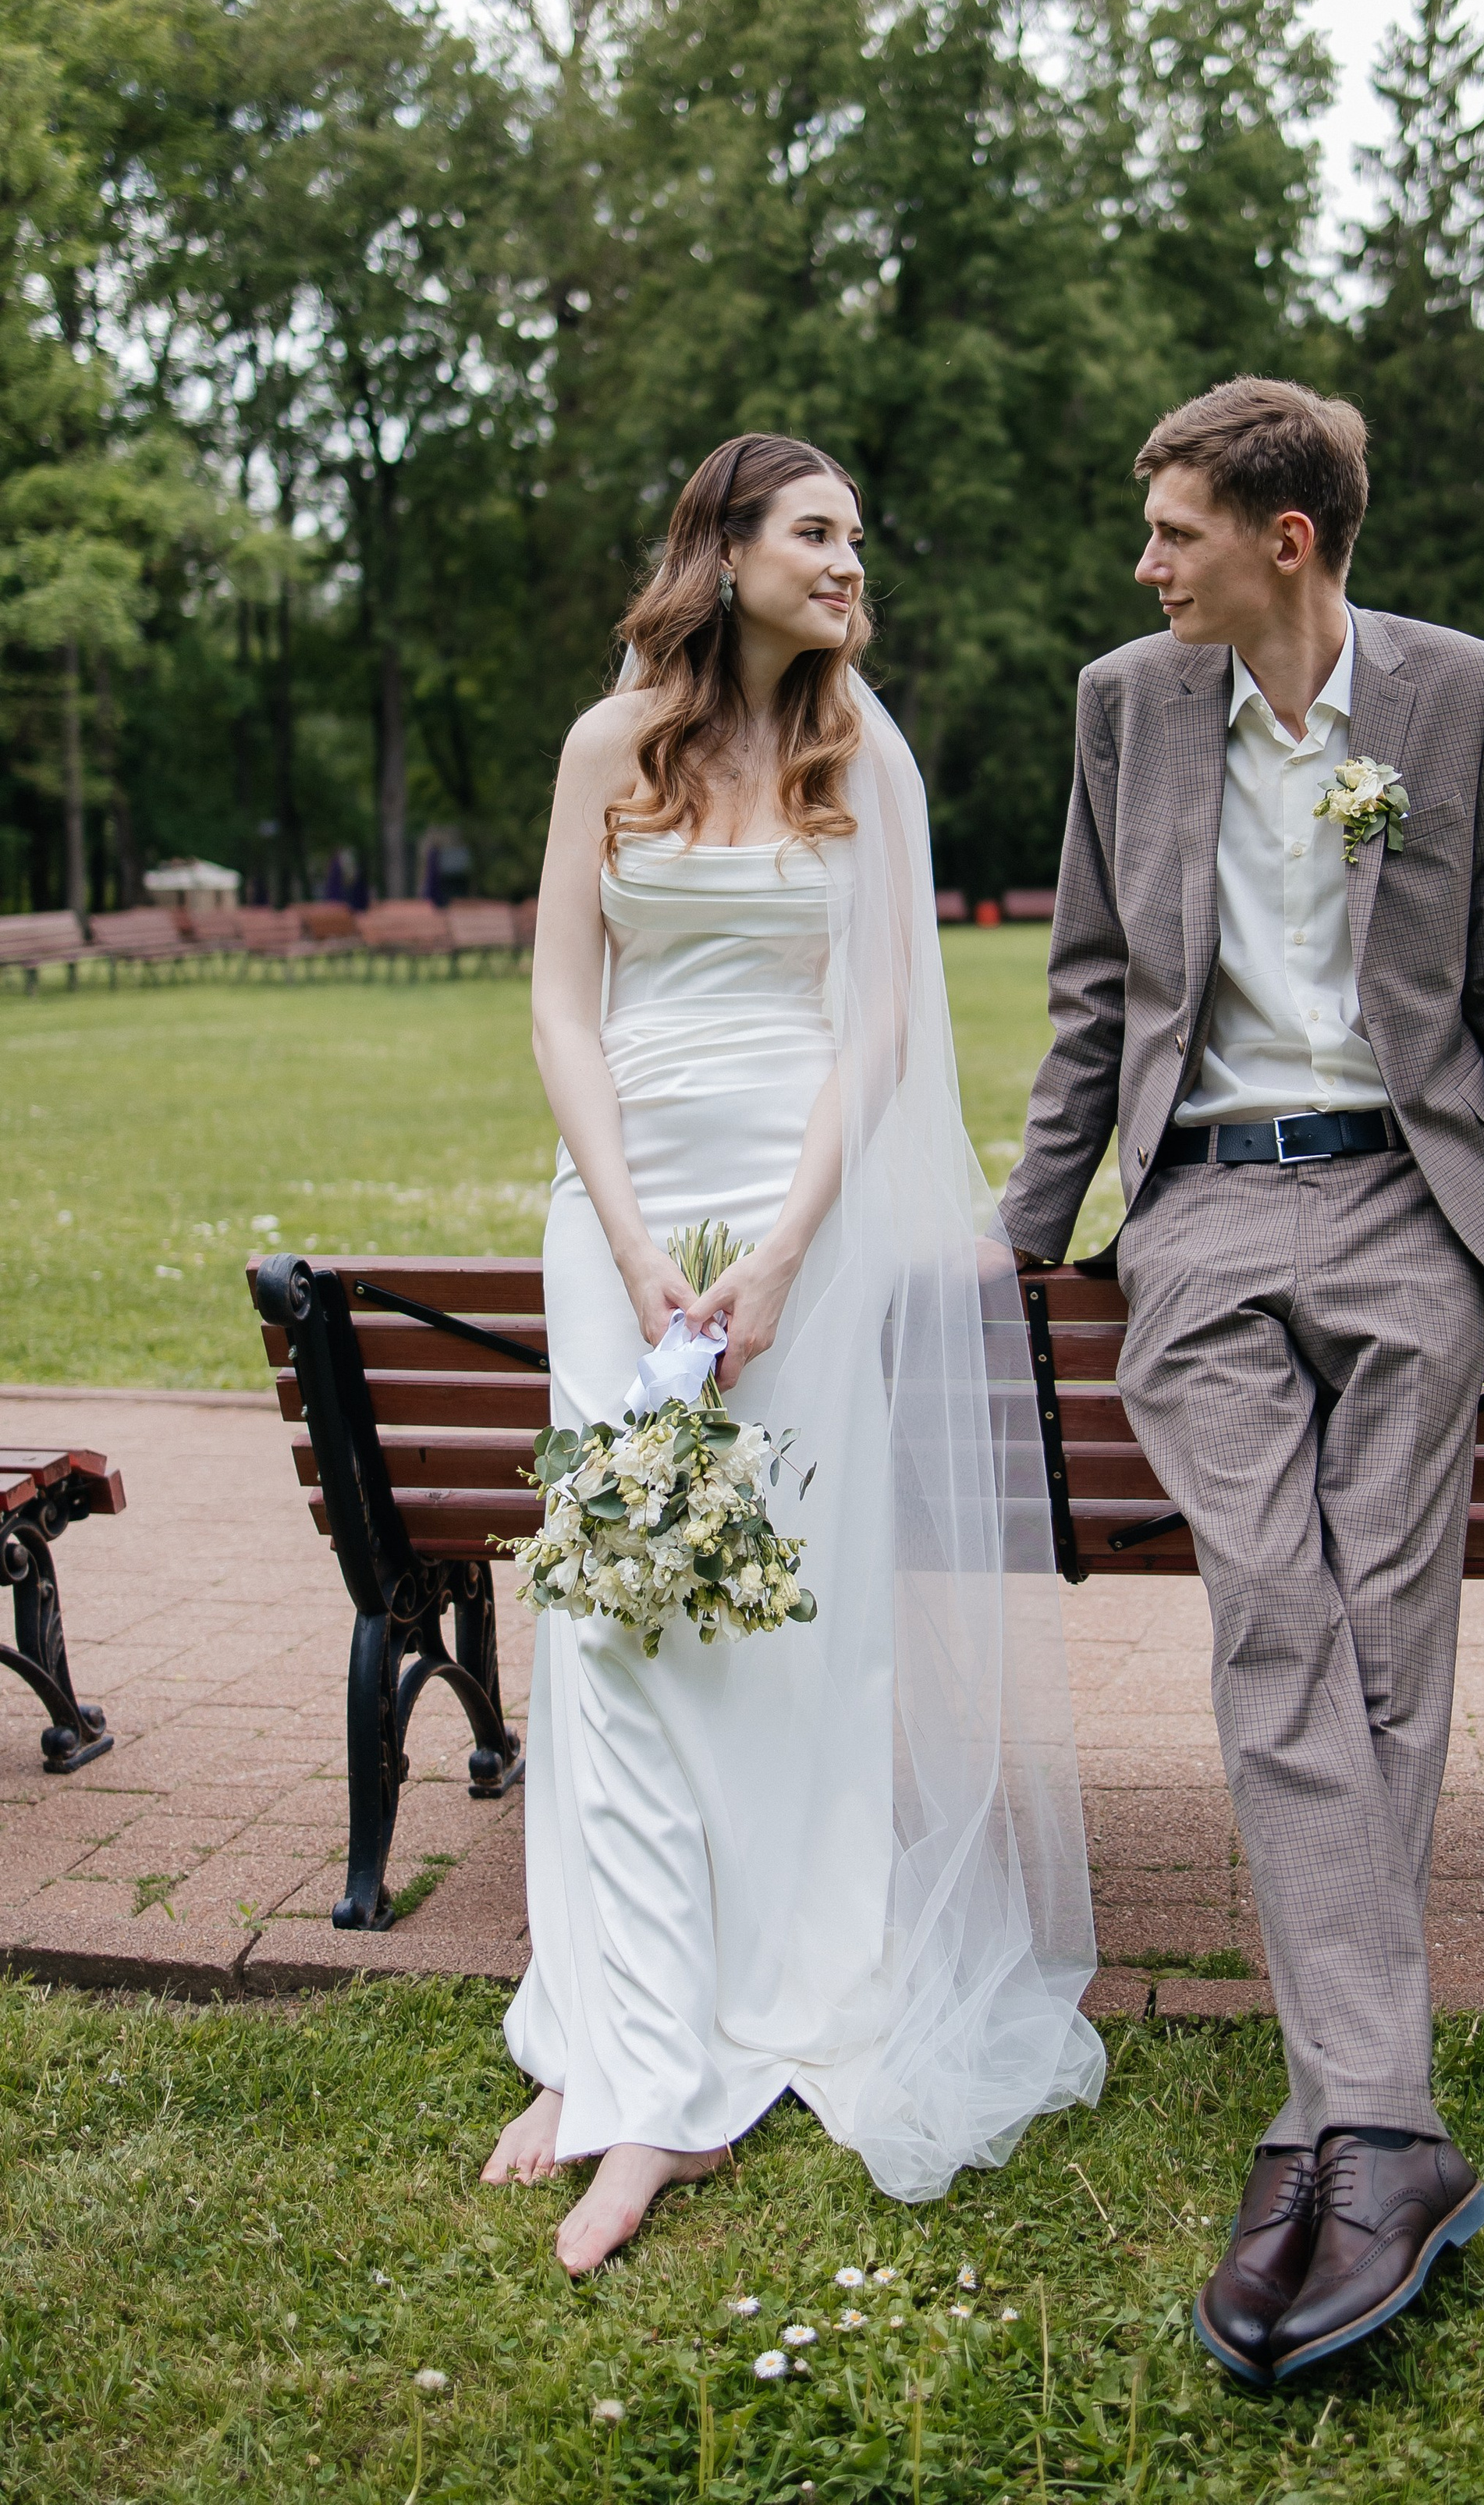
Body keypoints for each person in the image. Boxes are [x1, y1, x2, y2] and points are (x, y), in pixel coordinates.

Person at [999, 377, 1484, 2391]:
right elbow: (1090, 999)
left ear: (1285, 543)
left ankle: (1326, 2126)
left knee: (1388, 1645)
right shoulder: (1125, 708)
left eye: (1174, 532)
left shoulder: (1467, 698)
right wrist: (1022, 1230)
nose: (1146, 565)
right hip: (1207, 1229)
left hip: (1412, 1214)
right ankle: (1381, 2128)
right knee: (1281, 1621)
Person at [482, 432, 1102, 2274]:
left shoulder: (866, 754)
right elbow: (557, 998)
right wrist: (618, 1234)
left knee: (774, 1627)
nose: (848, 562)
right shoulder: (613, 746)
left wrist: (773, 1257)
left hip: (798, 1242)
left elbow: (883, 1030)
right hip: (622, 1226)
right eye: (816, 532)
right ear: (725, 546)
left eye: (854, 536)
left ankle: (721, 2029)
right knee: (608, 1624)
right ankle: (615, 2042)